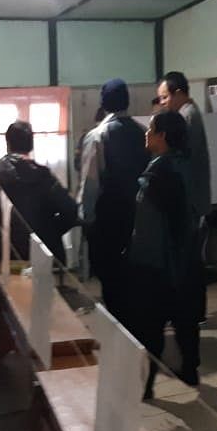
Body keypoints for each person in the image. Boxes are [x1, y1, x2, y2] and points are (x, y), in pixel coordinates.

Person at [126, 110, 201, 400]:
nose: (147, 133)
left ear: (164, 137)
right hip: (186, 259)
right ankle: (190, 372)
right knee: (185, 321)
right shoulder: (187, 167)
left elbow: (148, 228)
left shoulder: (158, 174)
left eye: (152, 129)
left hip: (156, 263)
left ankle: (144, 386)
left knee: (149, 325)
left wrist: (137, 263)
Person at [77, 79, 150, 318]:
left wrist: (86, 218)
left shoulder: (98, 136)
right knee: (134, 283)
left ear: (103, 103)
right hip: (139, 220)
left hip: (109, 222)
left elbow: (91, 183)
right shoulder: (143, 132)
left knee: (112, 284)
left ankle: (121, 338)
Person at [157, 71, 210, 323]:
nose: (163, 102)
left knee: (188, 264)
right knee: (190, 262)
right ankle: (192, 313)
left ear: (179, 93)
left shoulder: (187, 118)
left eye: (165, 97)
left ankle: (190, 314)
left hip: (189, 203)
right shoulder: (189, 114)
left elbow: (183, 163)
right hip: (192, 201)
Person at [0, 120, 77, 264]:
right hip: (42, 253)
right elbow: (71, 210)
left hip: (3, 252)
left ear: (7, 143)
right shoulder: (43, 176)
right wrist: (49, 231)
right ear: (31, 144)